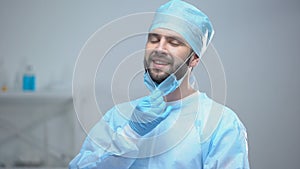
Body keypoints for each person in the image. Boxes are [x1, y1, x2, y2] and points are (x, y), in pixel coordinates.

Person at [69, 0, 250, 168]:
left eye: (174, 42)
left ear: (194, 58)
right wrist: (131, 134)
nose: (160, 48)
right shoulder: (118, 118)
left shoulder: (220, 124)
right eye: (154, 39)